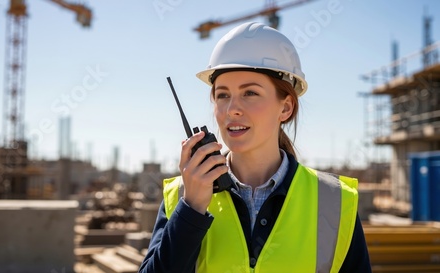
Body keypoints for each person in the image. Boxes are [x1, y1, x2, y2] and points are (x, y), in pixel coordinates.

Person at [139, 22, 371, 273]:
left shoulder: (333, 202)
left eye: (250, 93)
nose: (231, 109)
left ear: (285, 108)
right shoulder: (182, 196)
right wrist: (191, 209)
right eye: (222, 95)